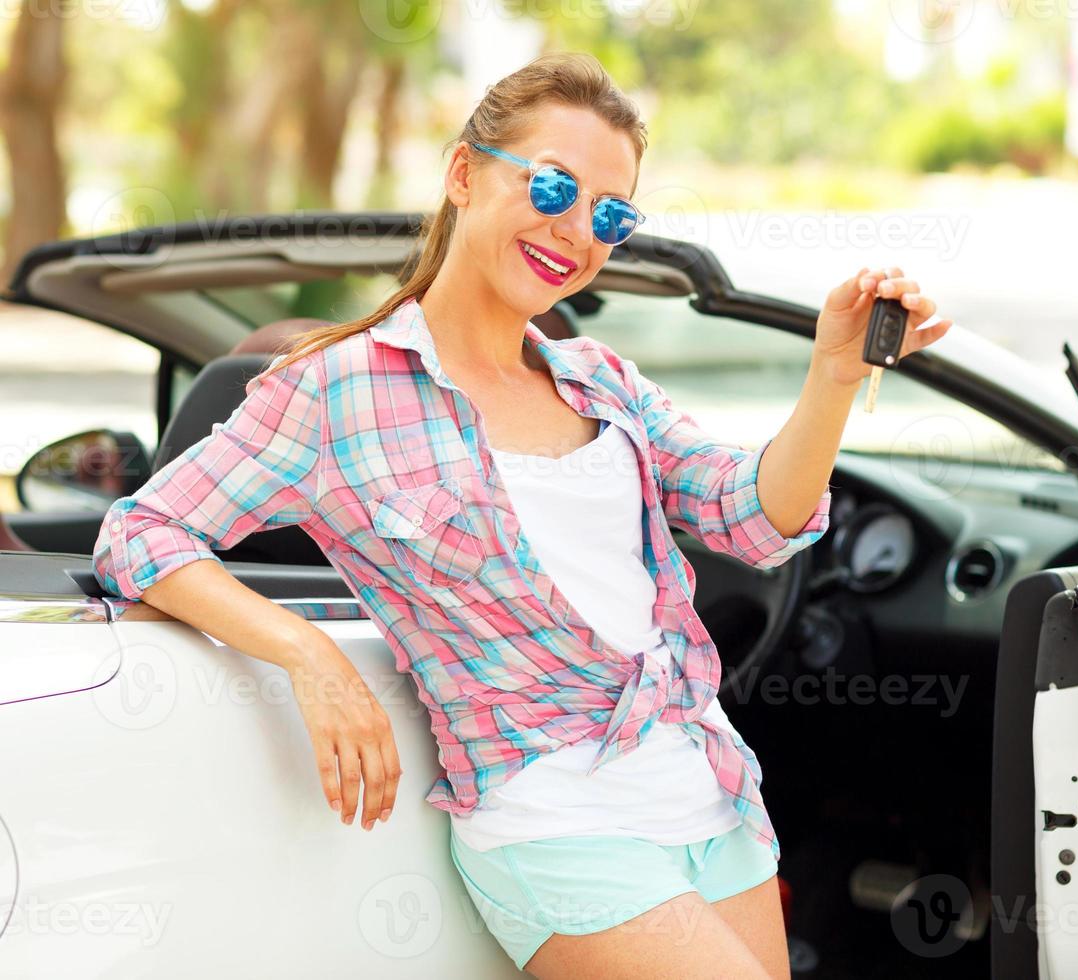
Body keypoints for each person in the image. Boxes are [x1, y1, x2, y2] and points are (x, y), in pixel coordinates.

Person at [91, 51, 951, 980]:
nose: (578, 230)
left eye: (610, 214)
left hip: (706, 791)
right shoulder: (338, 388)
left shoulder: (604, 383)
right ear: (463, 174)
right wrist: (307, 651)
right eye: (553, 186)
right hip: (554, 825)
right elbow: (141, 533)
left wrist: (830, 375)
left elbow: (755, 518)